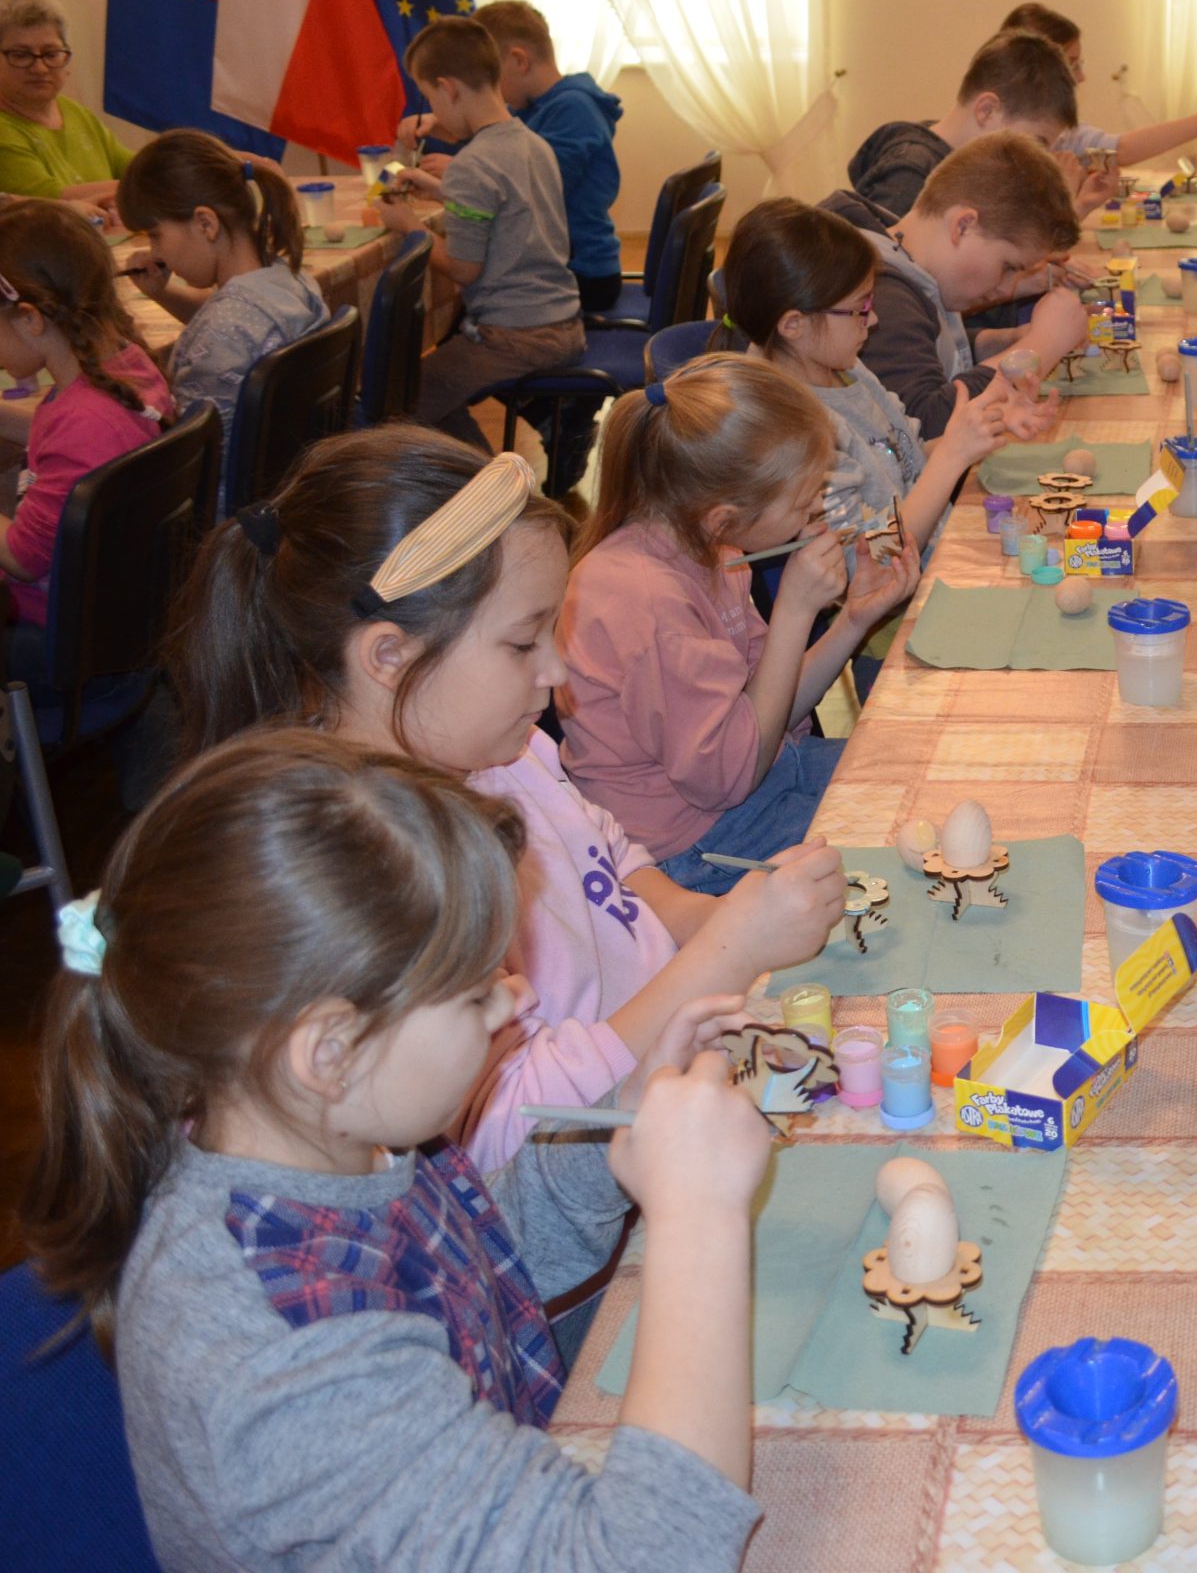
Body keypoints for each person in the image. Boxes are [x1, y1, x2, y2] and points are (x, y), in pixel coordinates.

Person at [19, 730, 772, 1571]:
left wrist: (613, 1127)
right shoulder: (283, 1360)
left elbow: (472, 1272)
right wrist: (697, 1219)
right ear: (330, 1050)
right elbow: (649, 1557)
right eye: (477, 988)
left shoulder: (334, 1132)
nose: (513, 1002)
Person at [168, 430, 844, 1171]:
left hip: (673, 1056)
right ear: (390, 657)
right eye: (524, 643)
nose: (559, 672)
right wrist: (729, 951)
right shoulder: (380, 877)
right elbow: (516, 1130)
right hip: (604, 1155)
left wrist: (710, 921)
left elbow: (609, 854)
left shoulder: (504, 749)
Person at [558, 354, 919, 893]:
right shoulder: (647, 599)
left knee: (920, 777)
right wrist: (795, 612)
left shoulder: (712, 550)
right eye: (804, 499)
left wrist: (851, 621)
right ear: (724, 515)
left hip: (756, 784)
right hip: (693, 849)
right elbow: (728, 779)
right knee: (901, 849)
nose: (818, 508)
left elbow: (766, 712)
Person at [715, 197, 1020, 550]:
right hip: (902, 595)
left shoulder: (847, 368)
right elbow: (872, 557)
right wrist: (953, 456)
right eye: (860, 309)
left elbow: (903, 458)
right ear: (794, 324)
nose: (873, 321)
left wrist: (976, 431)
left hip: (936, 556)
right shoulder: (792, 427)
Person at [378, 18, 585, 446]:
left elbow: (463, 269)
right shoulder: (532, 143)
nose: (433, 109)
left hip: (515, 336)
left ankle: (483, 486)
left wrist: (410, 227)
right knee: (429, 386)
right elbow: (512, 208)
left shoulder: (473, 164)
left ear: (448, 88)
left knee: (397, 398)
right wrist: (442, 189)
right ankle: (479, 475)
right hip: (561, 321)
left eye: (431, 96)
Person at [819, 133, 1084, 442]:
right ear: (963, 226)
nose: (1007, 287)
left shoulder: (905, 254)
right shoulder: (880, 292)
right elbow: (925, 424)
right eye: (1008, 267)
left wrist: (1007, 339)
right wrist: (1041, 345)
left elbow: (932, 348)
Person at [0, 199, 167, 676]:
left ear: (30, 318)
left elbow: (20, 558)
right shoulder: (126, 365)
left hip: (57, 639)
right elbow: (73, 449)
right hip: (114, 617)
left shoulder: (83, 421)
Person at [115, 130, 331, 437]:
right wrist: (163, 293)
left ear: (205, 223)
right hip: (295, 473)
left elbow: (187, 456)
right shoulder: (290, 278)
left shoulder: (221, 336)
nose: (155, 253)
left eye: (155, 235)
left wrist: (130, 345)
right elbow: (240, 320)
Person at [474, 0, 627, 315]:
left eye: (490, 76)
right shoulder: (541, 108)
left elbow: (534, 187)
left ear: (519, 60)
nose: (489, 91)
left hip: (582, 274)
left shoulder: (572, 109)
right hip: (571, 267)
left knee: (475, 291)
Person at [849, 29, 1091, 220]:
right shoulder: (908, 176)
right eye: (1037, 142)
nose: (1041, 156)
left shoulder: (970, 165)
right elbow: (882, 276)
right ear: (986, 111)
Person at [997, 2, 1197, 166]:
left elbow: (1120, 149)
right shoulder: (999, 142)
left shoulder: (1059, 128)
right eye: (1072, 65)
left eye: (1079, 64)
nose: (1080, 77)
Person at [0, 0, 127, 212]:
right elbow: (50, 200)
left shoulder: (73, 111)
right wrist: (142, 188)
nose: (39, 68)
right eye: (20, 55)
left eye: (51, 54)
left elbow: (133, 168)